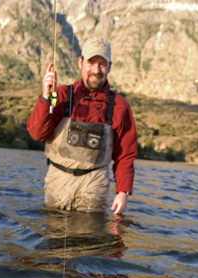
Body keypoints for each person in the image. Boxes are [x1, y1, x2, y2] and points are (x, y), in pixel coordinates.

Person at [27, 37, 138, 214]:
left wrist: (123, 191)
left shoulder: (120, 106)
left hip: (94, 184)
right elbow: (37, 134)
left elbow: (125, 155)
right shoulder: (61, 95)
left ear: (110, 67)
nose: (96, 70)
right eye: (91, 62)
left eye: (102, 64)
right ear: (81, 62)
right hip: (58, 181)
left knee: (90, 239)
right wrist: (45, 97)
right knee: (52, 236)